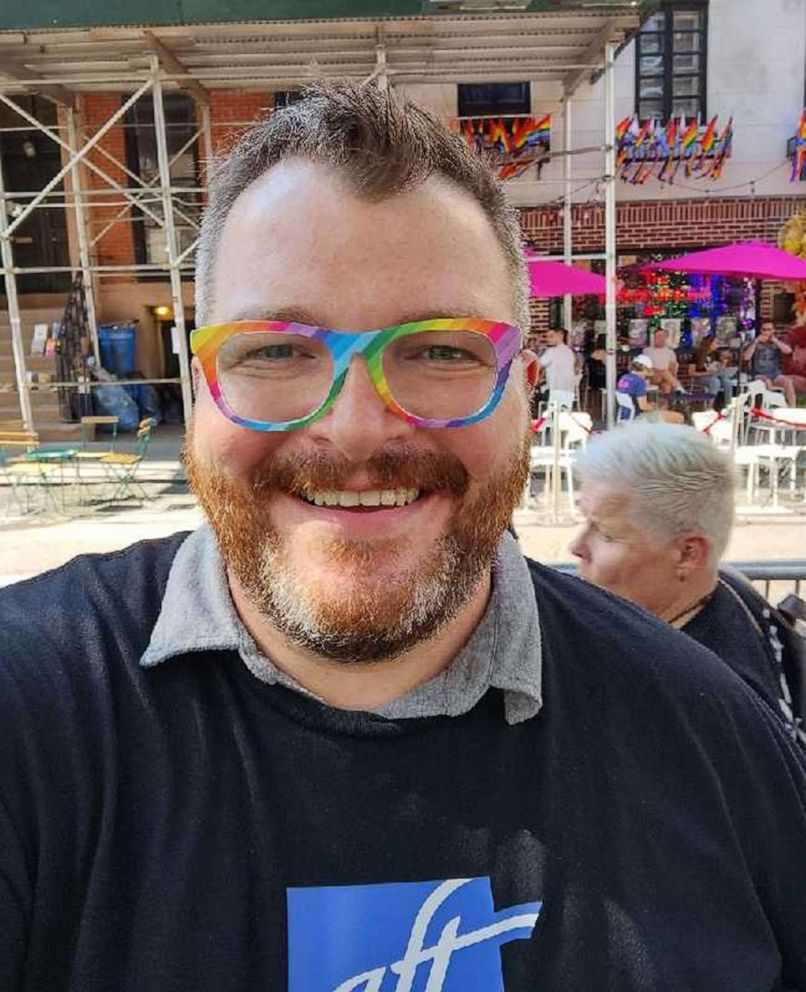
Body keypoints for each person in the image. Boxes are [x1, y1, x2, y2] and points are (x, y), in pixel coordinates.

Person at [2, 82, 806, 991]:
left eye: (440, 350)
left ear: (527, 399)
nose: (354, 431)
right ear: (201, 389)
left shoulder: (712, 742)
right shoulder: (27, 709)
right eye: (274, 348)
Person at [571, 420, 805, 747]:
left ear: (687, 554)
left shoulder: (695, 706)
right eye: (586, 522)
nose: (577, 546)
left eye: (606, 533)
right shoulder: (727, 587)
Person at [743, 321, 797, 405]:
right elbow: (746, 357)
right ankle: (771, 406)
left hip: (775, 374)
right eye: (764, 330)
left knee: (787, 382)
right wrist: (756, 341)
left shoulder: (777, 342)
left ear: (773, 331)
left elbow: (788, 351)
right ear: (760, 331)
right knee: (767, 382)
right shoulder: (755, 342)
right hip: (759, 374)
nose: (766, 332)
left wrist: (775, 340)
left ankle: (792, 409)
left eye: (769, 330)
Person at [536, 327, 577, 396]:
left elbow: (537, 365)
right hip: (568, 392)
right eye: (547, 337)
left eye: (551, 336)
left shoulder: (552, 351)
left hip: (555, 392)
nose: (548, 339)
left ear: (560, 336)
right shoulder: (569, 352)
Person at [642, 327, 684, 393]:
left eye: (662, 336)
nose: (660, 338)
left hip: (666, 378)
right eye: (658, 336)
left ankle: (665, 403)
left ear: (665, 338)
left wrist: (667, 377)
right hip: (652, 376)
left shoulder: (670, 352)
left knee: (667, 386)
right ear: (654, 338)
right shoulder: (647, 351)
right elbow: (645, 367)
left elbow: (672, 368)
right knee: (664, 372)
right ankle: (679, 388)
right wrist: (660, 372)